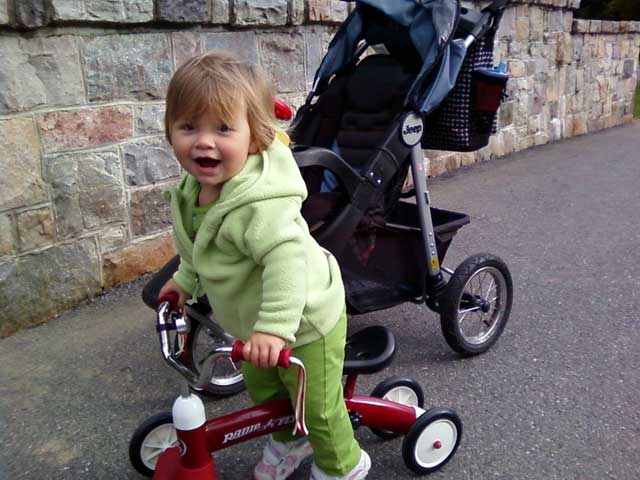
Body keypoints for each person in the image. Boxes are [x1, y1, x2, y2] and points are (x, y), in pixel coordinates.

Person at [158, 50, 370, 480]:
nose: (203, 141)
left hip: (305, 318)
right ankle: (292, 439)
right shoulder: (192, 190)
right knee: (267, 391)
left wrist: (274, 327)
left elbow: (287, 260)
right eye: (188, 127)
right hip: (253, 325)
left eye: (222, 129)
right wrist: (184, 280)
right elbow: (199, 246)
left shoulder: (259, 204)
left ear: (254, 137)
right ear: (170, 131)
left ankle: (343, 466)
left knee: (319, 408)